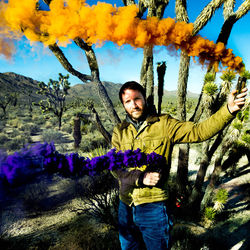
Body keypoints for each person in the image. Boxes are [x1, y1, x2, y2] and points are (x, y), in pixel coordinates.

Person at [111, 81, 248, 250]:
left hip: (153, 205)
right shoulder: (120, 131)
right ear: (123, 105)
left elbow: (198, 131)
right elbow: (114, 166)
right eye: (128, 101)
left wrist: (228, 110)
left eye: (137, 99)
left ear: (144, 99)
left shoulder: (164, 124)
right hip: (126, 203)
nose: (134, 105)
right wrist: (140, 177)